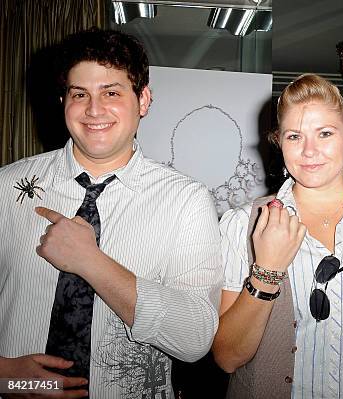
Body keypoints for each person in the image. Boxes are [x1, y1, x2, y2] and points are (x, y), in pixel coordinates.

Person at [0, 28, 222, 398]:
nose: (94, 110)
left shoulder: (187, 200)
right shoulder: (6, 187)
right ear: (63, 101)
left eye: (112, 93)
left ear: (144, 100)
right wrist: (6, 376)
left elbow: (194, 338)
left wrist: (90, 261)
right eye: (79, 94)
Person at [212, 74, 343, 399]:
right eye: (294, 136)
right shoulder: (243, 224)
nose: (309, 151)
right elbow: (228, 357)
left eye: (325, 133)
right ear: (278, 141)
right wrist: (266, 273)